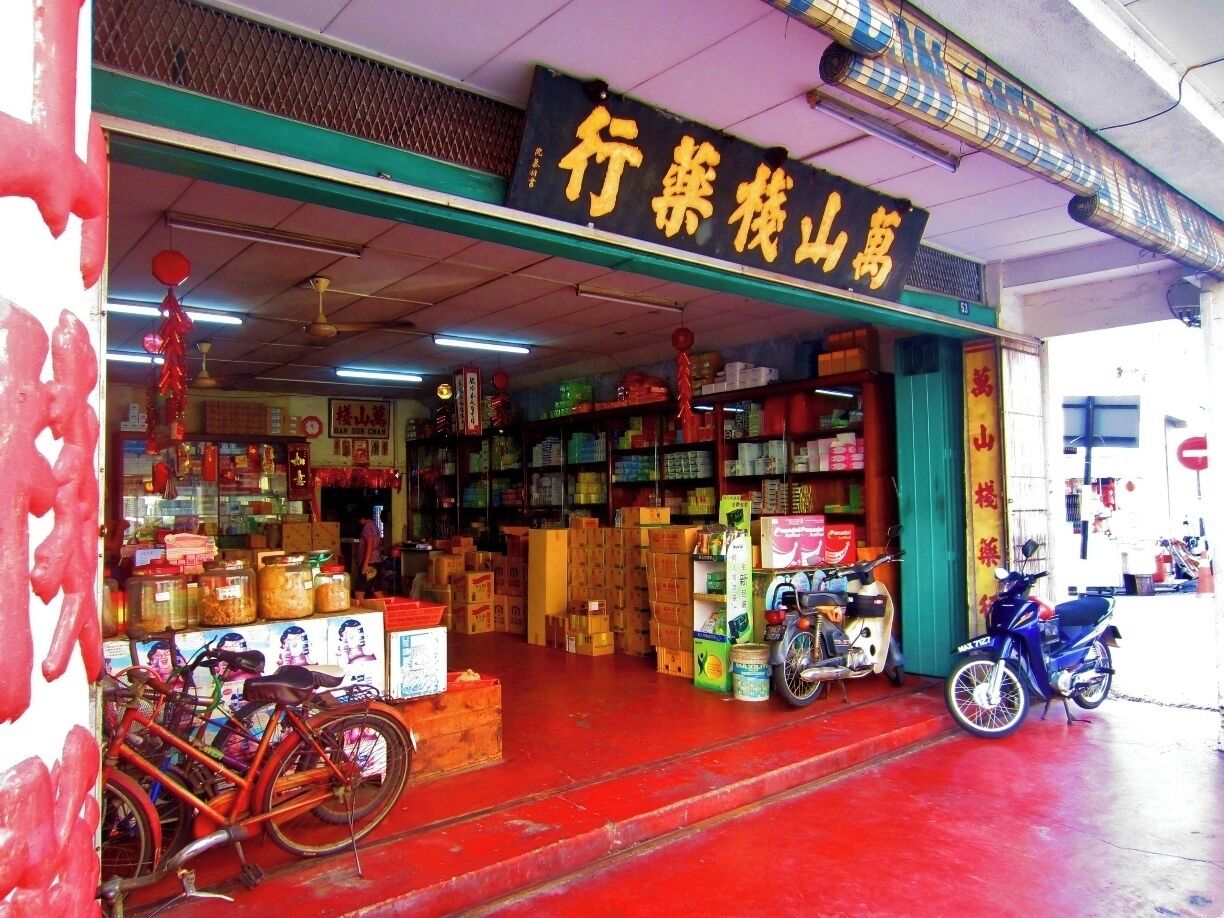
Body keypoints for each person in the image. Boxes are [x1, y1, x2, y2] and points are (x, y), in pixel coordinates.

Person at [336, 618, 380, 686]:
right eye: (344, 635)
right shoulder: (344, 659)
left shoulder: (365, 659)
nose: (346, 639)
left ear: (360, 637)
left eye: (351, 635)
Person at [354, 508, 385, 601]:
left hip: (369, 563)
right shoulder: (375, 526)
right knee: (376, 589)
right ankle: (385, 611)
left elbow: (370, 545)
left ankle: (362, 613)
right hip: (376, 562)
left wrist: (365, 564)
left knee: (359, 592)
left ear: (362, 518)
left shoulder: (367, 528)